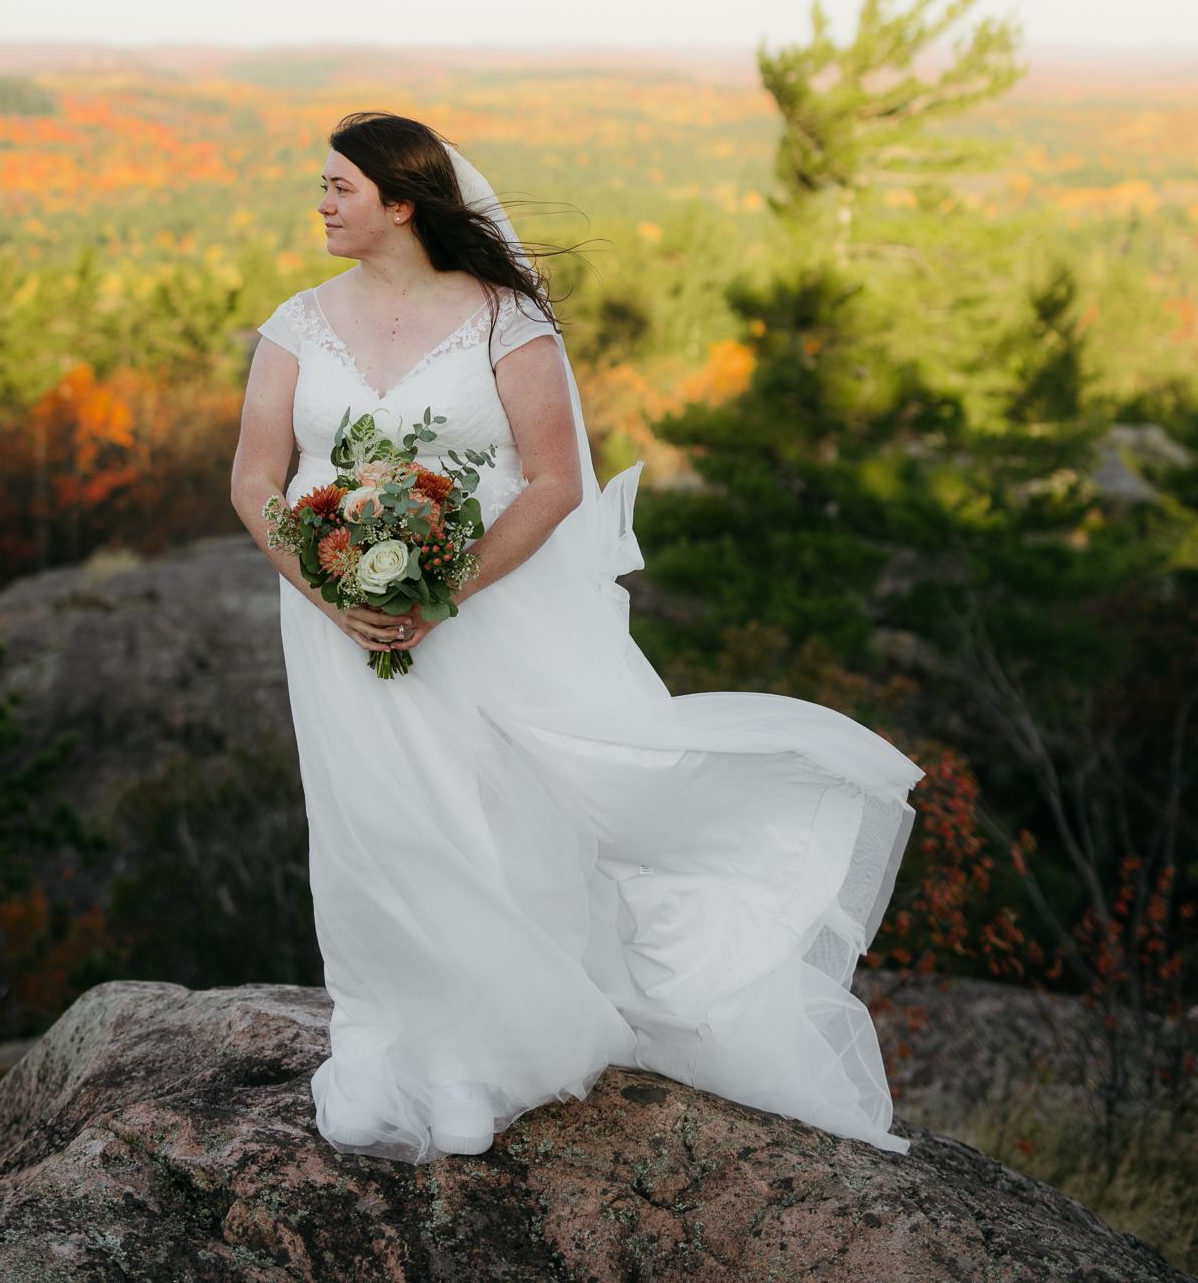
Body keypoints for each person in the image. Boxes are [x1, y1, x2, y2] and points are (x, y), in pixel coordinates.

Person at [231, 111, 921, 1164]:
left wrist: (446, 583)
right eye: (321, 184)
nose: (319, 200)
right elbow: (254, 477)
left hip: (479, 608)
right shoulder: (297, 324)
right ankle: (389, 1041)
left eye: (340, 185)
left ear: (403, 201)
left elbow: (554, 481)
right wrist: (326, 588)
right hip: (337, 620)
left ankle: (488, 1050)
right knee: (371, 822)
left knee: (485, 817)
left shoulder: (508, 321)